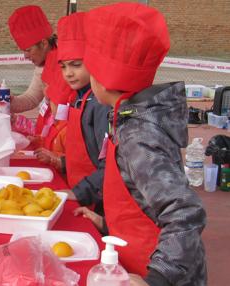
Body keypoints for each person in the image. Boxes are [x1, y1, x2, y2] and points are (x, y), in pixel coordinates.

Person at [80, 3, 207, 285]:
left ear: (102, 78)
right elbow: (141, 195)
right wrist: (109, 224)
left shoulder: (138, 135)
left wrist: (157, 279)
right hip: (133, 256)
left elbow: (184, 212)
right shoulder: (127, 118)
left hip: (160, 272)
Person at [39, 12, 109, 215]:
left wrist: (79, 193)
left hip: (97, 200)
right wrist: (61, 162)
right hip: (82, 189)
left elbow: (110, 167)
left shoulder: (100, 105)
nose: (68, 73)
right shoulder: (79, 99)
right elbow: (87, 154)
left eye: (76, 65)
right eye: (63, 67)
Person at [7, 5, 56, 115]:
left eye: (28, 50)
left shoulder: (67, 64)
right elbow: (32, 97)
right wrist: (10, 103)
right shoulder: (42, 64)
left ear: (44, 43)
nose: (25, 56)